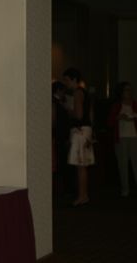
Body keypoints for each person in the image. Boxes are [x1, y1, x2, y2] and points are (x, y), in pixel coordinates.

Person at [63, 67, 94, 206]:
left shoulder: (77, 93)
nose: (66, 83)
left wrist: (68, 110)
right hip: (86, 130)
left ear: (74, 79)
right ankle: (84, 194)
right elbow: (91, 114)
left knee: (80, 166)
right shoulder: (85, 93)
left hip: (79, 130)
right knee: (83, 166)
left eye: (67, 80)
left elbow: (79, 115)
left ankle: (82, 195)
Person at [107, 81, 137, 197]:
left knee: (136, 163)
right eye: (126, 90)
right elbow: (109, 122)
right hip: (121, 138)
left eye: (130, 89)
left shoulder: (135, 104)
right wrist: (118, 117)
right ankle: (125, 189)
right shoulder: (117, 105)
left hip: (134, 137)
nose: (129, 92)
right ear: (121, 92)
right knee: (122, 164)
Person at [52, 81, 71, 195]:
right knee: (60, 163)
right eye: (63, 90)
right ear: (59, 90)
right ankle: (60, 190)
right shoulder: (54, 102)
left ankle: (62, 189)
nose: (65, 93)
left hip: (61, 136)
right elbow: (57, 122)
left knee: (62, 163)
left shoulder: (60, 102)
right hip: (59, 136)